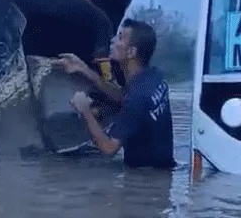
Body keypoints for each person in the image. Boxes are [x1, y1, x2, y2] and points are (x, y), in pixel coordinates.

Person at [64, 18, 176, 169]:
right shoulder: (153, 77)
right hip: (163, 171)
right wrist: (84, 69)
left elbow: (108, 148)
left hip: (144, 179)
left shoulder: (138, 98)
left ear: (131, 52)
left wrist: (85, 110)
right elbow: (122, 96)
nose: (113, 41)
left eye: (120, 38)